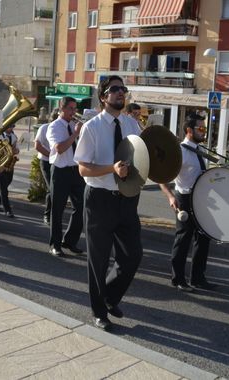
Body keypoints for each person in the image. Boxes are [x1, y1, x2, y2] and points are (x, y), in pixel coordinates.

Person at [74, 75, 143, 331]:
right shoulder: (92, 127)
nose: (120, 93)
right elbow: (83, 168)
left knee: (132, 256)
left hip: (127, 199)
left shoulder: (132, 125)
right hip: (100, 200)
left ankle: (110, 296)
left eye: (123, 89)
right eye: (114, 89)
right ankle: (99, 312)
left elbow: (140, 158)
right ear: (103, 97)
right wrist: (111, 169)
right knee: (99, 260)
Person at [159, 113, 217, 291]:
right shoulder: (180, 152)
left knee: (203, 238)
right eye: (200, 128)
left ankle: (198, 278)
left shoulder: (199, 150)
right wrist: (170, 196)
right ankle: (178, 279)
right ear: (189, 130)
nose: (204, 132)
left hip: (201, 198)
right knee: (183, 239)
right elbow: (161, 177)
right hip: (184, 199)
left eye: (204, 128)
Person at [46, 97, 86, 257]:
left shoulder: (73, 125)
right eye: (70, 109)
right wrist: (75, 134)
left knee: (82, 207)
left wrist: (83, 131)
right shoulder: (53, 127)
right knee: (57, 209)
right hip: (60, 171)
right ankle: (54, 245)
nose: (74, 112)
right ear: (61, 109)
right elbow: (60, 148)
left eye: (75, 108)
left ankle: (69, 240)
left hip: (76, 170)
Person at [34, 109, 58, 225]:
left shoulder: (64, 128)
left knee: (57, 189)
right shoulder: (44, 128)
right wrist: (51, 155)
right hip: (46, 161)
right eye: (55, 118)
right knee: (51, 188)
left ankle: (55, 214)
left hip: (58, 163)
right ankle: (47, 215)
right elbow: (37, 146)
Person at [0, 124, 19, 217]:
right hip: (0, 164)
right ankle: (7, 210)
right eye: (10, 126)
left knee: (6, 185)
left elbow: (17, 149)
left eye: (12, 127)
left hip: (10, 164)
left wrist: (16, 150)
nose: (11, 128)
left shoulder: (14, 136)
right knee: (4, 189)